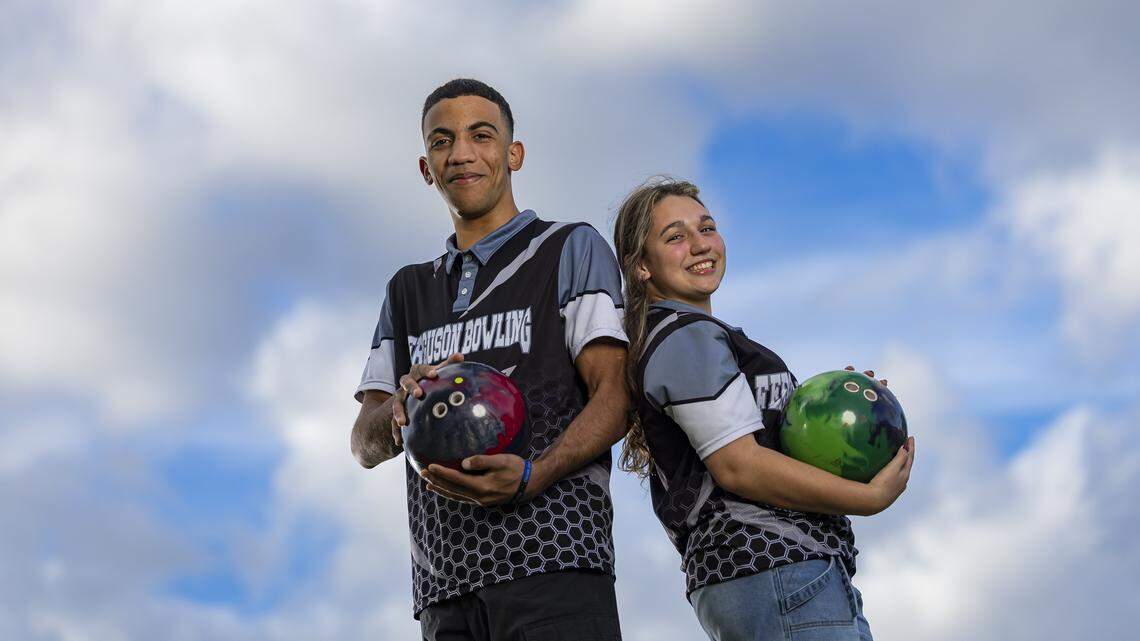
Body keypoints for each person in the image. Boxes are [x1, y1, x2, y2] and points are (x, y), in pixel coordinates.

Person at [349, 79, 628, 641]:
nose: (461, 153)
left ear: (513, 154)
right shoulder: (406, 290)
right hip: (444, 588)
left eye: (482, 135)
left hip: (556, 561)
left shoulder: (570, 247)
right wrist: (400, 405)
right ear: (427, 167)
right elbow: (363, 442)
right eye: (442, 141)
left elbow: (617, 397)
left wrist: (535, 475)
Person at [611, 177, 915, 641]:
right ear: (641, 268)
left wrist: (841, 410)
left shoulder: (701, 337)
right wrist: (869, 500)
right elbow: (738, 465)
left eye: (706, 228)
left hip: (784, 573)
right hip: (774, 567)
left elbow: (778, 444)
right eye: (675, 237)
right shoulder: (685, 337)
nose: (699, 245)